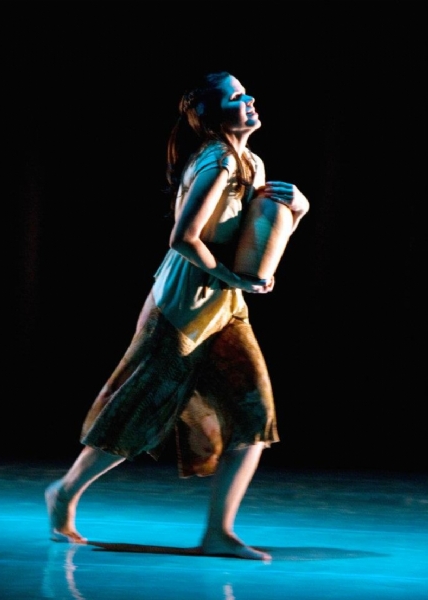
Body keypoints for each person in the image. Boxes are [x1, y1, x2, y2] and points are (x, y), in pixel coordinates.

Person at [45, 71, 309, 561]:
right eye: (237, 96)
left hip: (224, 308)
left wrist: (300, 210)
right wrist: (232, 279)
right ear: (212, 115)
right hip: (180, 305)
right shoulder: (216, 160)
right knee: (135, 413)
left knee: (254, 414)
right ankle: (63, 492)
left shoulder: (251, 162)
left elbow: (257, 238)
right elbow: (183, 238)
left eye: (247, 92)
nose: (250, 99)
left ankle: (218, 533)